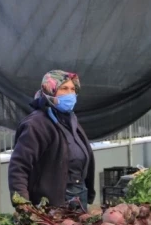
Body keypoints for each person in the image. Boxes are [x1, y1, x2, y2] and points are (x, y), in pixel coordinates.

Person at [8, 70, 96, 211]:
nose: (70, 94)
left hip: (79, 194)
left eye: (73, 89)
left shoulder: (70, 119)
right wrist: (22, 202)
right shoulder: (36, 124)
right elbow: (19, 165)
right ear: (50, 90)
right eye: (64, 88)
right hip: (52, 202)